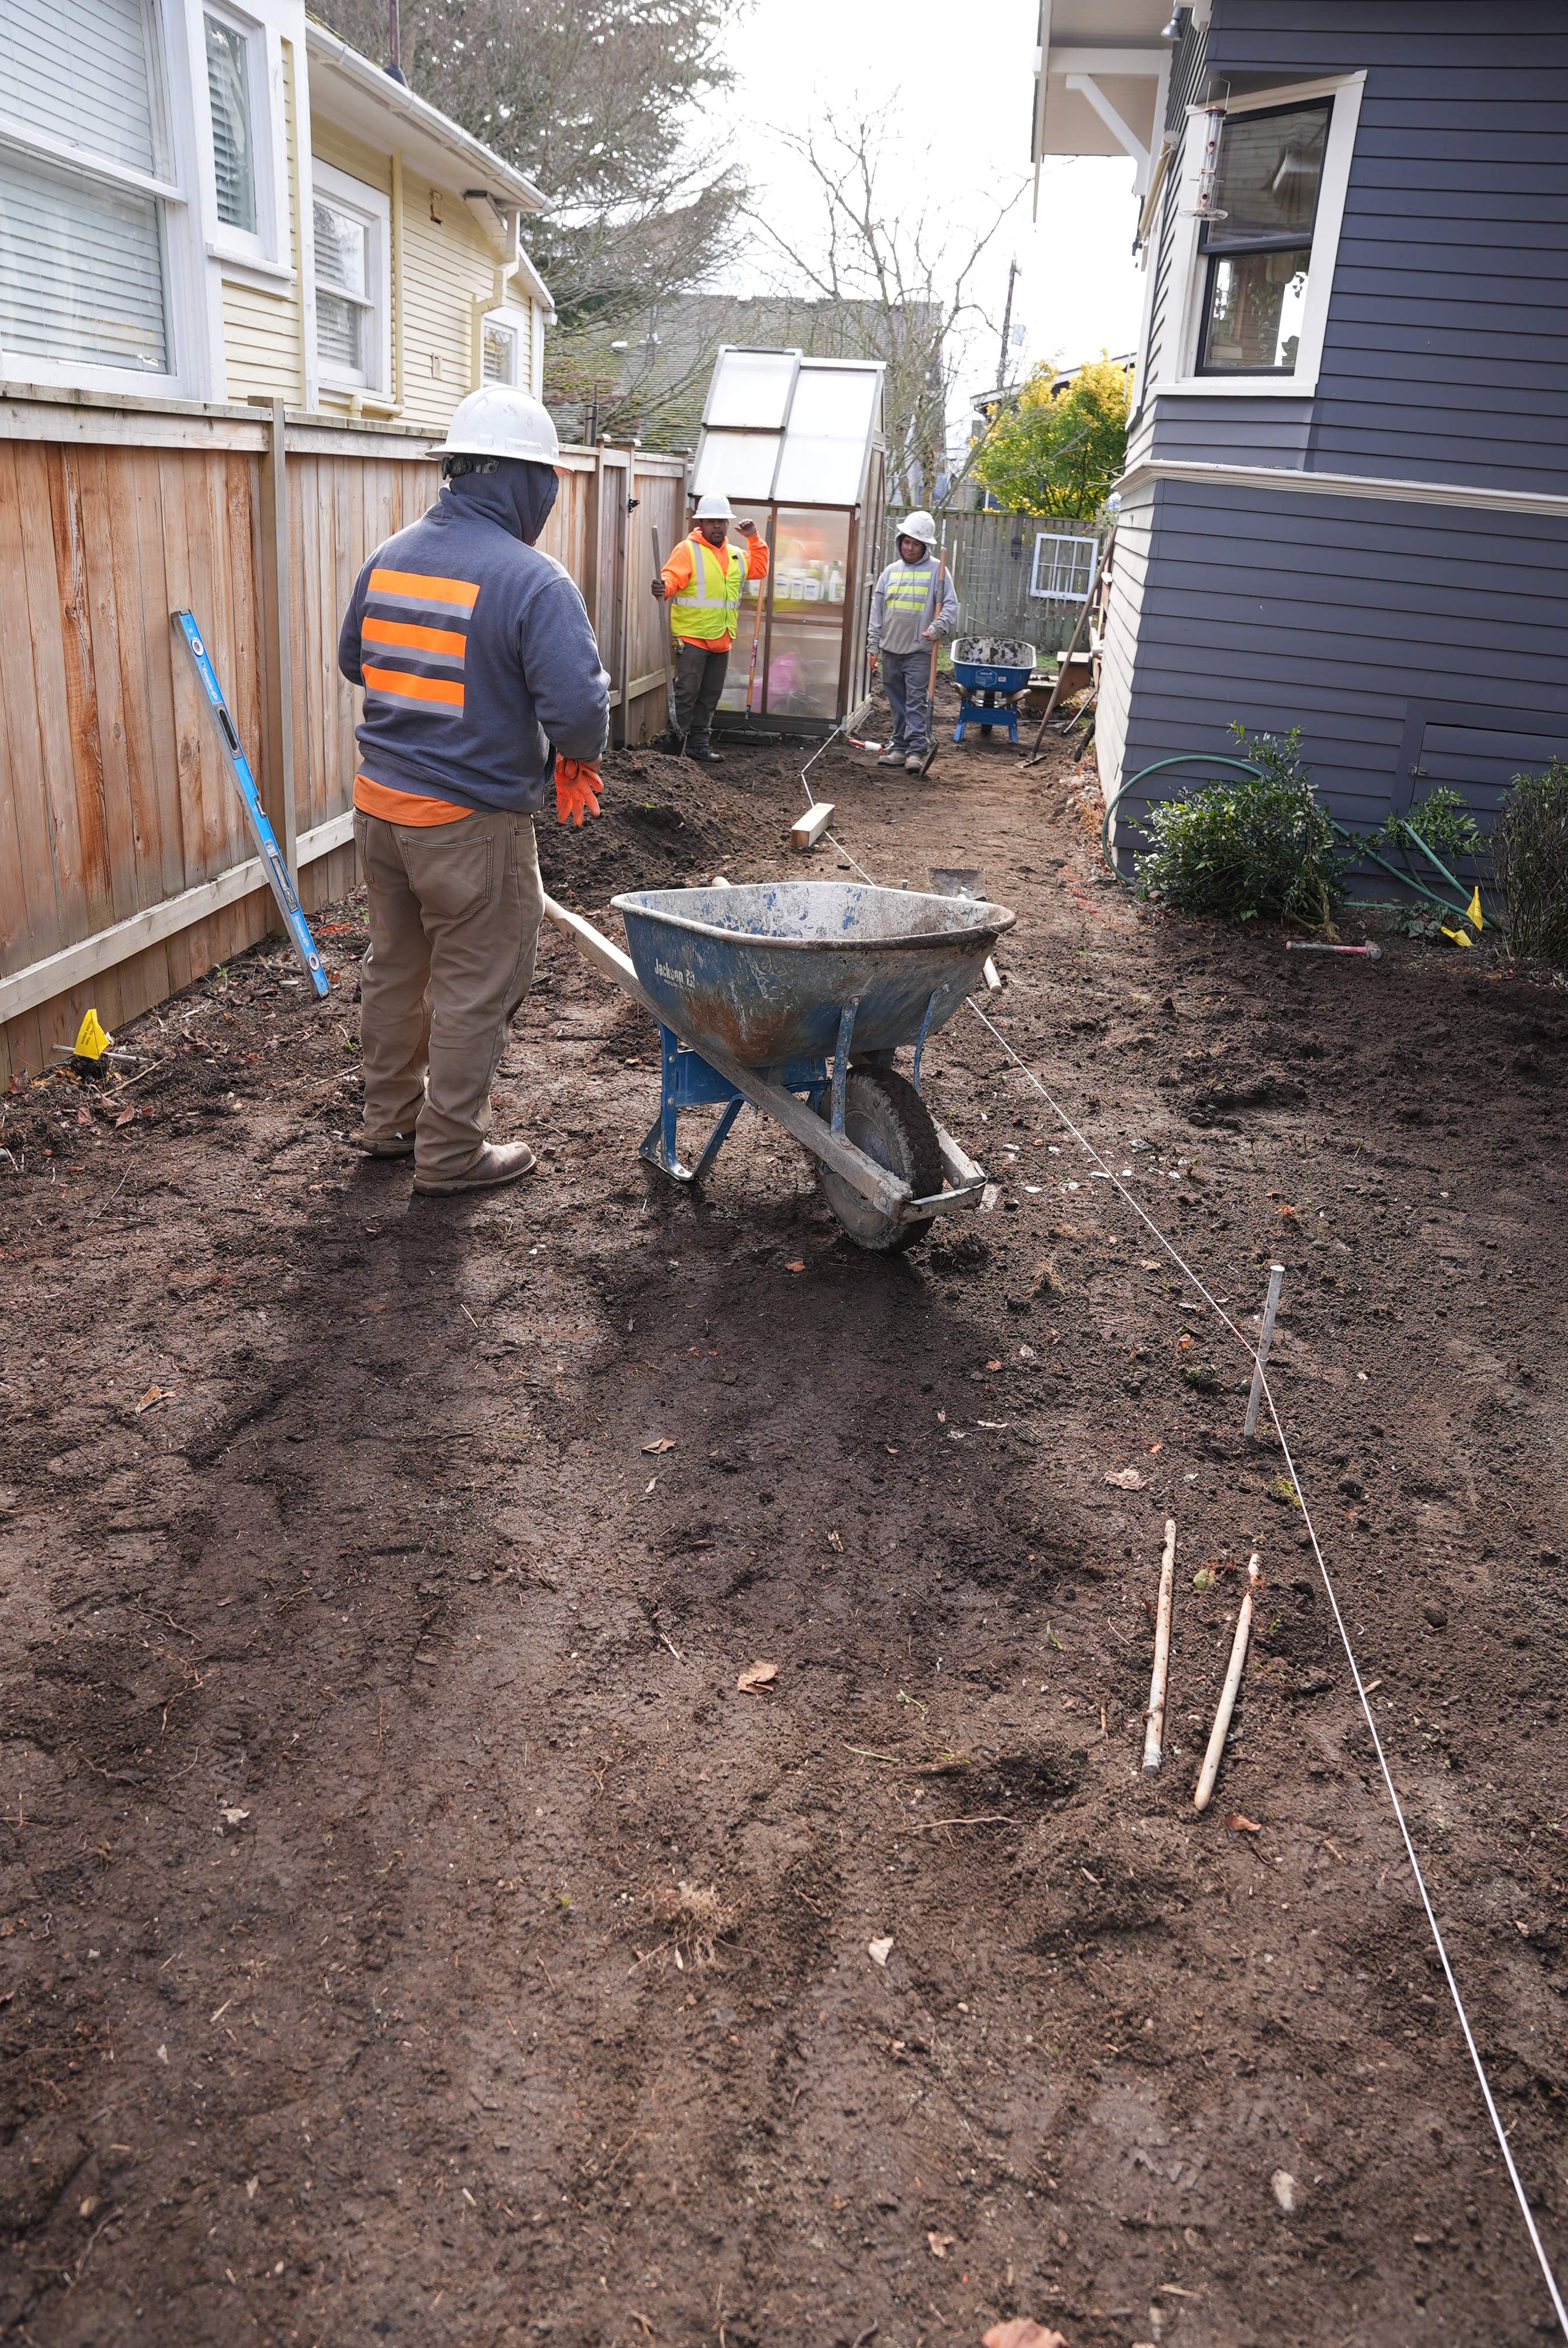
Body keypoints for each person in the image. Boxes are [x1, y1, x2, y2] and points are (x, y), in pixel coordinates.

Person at [338, 383, 610, 1196]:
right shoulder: (534, 580)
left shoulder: (389, 555)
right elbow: (580, 711)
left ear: (455, 469)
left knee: (396, 967)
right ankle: (451, 1153)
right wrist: (573, 754)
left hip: (381, 810)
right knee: (475, 985)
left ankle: (390, 1122)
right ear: (529, 483)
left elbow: (358, 661)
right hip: (468, 823)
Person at [652, 491, 770, 761]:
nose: (717, 526)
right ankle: (674, 751)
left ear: (728, 524)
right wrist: (664, 587)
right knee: (686, 694)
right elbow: (671, 577)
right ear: (701, 524)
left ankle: (699, 746)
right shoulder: (687, 550)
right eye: (711, 521)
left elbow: (760, 569)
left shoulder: (737, 555)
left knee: (710, 696)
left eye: (721, 521)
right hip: (692, 637)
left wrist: (753, 538)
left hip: (722, 638)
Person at [867, 511, 960, 772]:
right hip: (890, 648)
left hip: (919, 649)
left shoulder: (938, 572)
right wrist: (873, 644)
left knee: (916, 699)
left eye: (916, 544)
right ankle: (899, 747)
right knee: (896, 700)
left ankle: (916, 751)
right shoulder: (890, 572)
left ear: (925, 546)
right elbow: (877, 612)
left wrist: (937, 627)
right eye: (906, 542)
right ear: (900, 541)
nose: (910, 547)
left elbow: (951, 606)